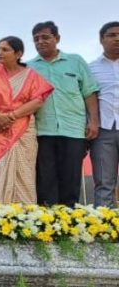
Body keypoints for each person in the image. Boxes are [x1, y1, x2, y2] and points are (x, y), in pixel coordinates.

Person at [0, 37, 54, 204]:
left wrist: (11, 116)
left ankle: (22, 215)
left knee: (22, 171)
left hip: (22, 129)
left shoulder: (30, 76)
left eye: (5, 49)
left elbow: (38, 100)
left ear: (18, 54)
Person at [28, 21, 99, 207]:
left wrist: (93, 122)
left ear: (57, 38)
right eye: (36, 39)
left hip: (74, 130)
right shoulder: (28, 67)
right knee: (45, 178)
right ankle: (47, 222)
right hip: (42, 131)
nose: (40, 42)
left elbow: (89, 92)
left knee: (71, 176)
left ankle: (69, 221)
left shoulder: (75, 61)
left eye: (45, 37)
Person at [90, 21, 119, 207]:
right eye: (111, 35)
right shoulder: (90, 68)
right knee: (104, 182)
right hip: (103, 131)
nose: (117, 39)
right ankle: (103, 231)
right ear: (102, 39)